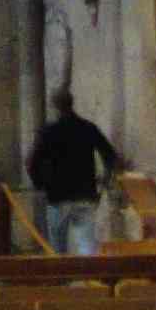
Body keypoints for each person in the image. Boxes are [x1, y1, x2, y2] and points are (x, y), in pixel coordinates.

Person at [26, 86, 120, 257]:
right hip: (85, 196)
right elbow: (111, 157)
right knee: (87, 249)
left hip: (58, 197)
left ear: (54, 105)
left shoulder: (48, 131)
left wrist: (40, 186)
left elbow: (32, 163)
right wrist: (103, 185)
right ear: (72, 103)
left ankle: (62, 281)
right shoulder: (88, 128)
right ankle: (88, 281)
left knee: (57, 251)